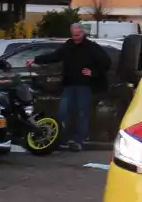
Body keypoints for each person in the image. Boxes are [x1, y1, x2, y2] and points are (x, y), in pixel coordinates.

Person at [27, 23, 111, 152]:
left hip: (85, 86)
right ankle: (61, 139)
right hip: (69, 85)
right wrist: (36, 59)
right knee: (63, 113)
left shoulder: (92, 47)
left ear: (83, 33)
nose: (76, 38)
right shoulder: (68, 45)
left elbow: (106, 62)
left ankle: (78, 140)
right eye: (73, 35)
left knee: (82, 113)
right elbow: (55, 56)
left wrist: (93, 73)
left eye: (78, 35)